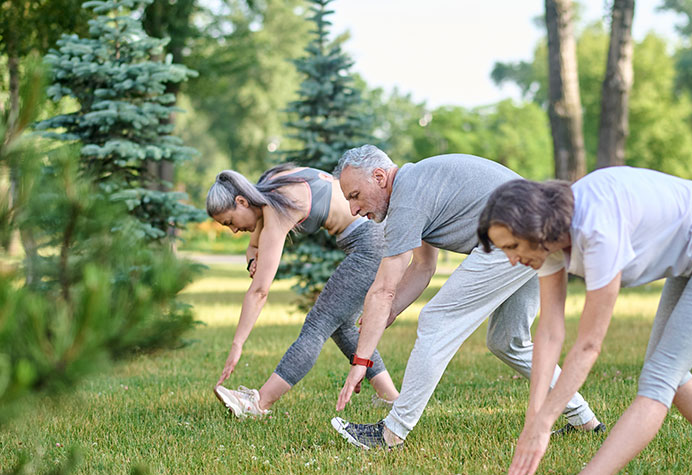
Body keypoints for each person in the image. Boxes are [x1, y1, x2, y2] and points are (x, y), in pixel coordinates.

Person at [477, 166, 692, 475]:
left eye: (512, 247)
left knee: (659, 378)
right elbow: (549, 332)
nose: (512, 259)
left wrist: (547, 422)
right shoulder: (549, 241)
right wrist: (534, 418)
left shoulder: (596, 228)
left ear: (536, 226)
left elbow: (589, 345)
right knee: (672, 375)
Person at [329, 145, 605, 450]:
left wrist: (361, 361)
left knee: (436, 320)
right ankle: (584, 421)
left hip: (518, 234)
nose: (353, 210)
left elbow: (384, 289)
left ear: (379, 177)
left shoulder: (408, 197)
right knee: (508, 341)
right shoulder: (417, 185)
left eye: (355, 195)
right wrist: (389, 311)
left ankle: (391, 433)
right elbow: (423, 266)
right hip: (540, 230)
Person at [206, 164, 400, 417]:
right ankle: (392, 399)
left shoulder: (277, 209)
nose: (233, 230)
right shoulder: (272, 182)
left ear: (242, 201)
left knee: (318, 324)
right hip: (376, 235)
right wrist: (253, 253)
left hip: (370, 244)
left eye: (230, 222)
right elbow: (256, 238)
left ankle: (259, 404)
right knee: (341, 326)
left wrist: (237, 344)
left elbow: (259, 291)